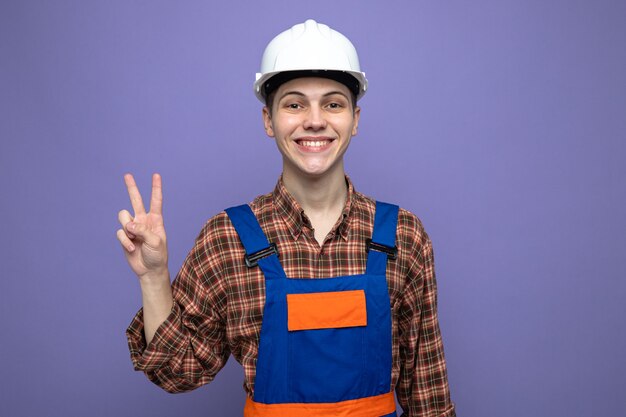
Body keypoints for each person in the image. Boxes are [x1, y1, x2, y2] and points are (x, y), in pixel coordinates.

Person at [117, 19, 456, 417]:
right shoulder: (228, 238)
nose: (314, 120)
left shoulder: (403, 235)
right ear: (268, 120)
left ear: (355, 120)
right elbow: (178, 371)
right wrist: (154, 278)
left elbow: (428, 395)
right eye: (294, 104)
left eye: (333, 103)